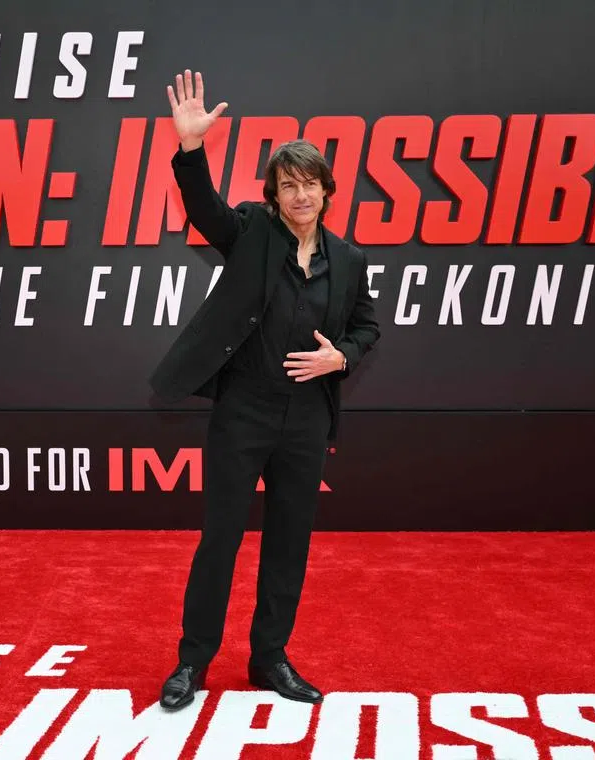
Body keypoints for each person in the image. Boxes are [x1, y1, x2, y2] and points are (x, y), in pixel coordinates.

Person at [149, 70, 381, 710]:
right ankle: (192, 662)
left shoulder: (351, 261)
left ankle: (270, 659)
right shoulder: (251, 233)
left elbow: (369, 326)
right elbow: (205, 210)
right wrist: (191, 149)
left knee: (288, 542)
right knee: (220, 537)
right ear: (274, 196)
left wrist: (344, 355)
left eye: (311, 183)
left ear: (327, 192)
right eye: (289, 184)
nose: (301, 194)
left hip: (307, 419)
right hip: (244, 409)